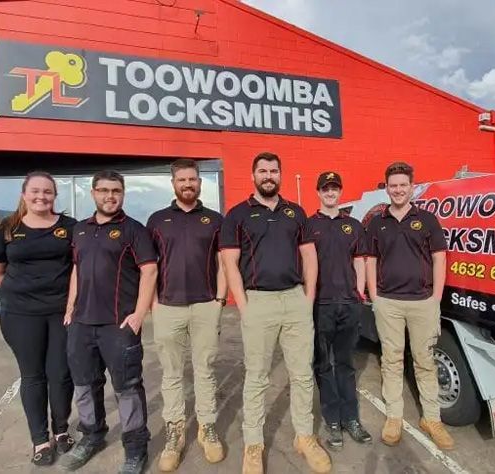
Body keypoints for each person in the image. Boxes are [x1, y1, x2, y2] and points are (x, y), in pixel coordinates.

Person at [220, 152, 332, 474]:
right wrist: (243, 305)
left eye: (273, 171)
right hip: (258, 302)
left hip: (295, 300)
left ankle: (304, 437)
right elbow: (229, 263)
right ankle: (253, 445)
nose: (268, 176)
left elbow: (309, 256)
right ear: (253, 175)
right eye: (263, 171)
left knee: (302, 374)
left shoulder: (295, 213)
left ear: (280, 175)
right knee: (257, 377)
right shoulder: (238, 215)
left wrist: (308, 298)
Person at [61, 171, 158, 474]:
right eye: (103, 190)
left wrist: (139, 314)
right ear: (93, 193)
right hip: (81, 324)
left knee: (127, 388)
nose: (110, 196)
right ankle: (92, 436)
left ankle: (136, 449)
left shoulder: (134, 230)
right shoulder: (80, 230)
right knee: (84, 385)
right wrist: (70, 307)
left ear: (123, 193)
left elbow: (150, 271)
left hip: (118, 325)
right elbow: (76, 270)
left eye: (116, 190)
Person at [0, 171, 77, 466]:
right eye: (35, 191)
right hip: (20, 315)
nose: (41, 196)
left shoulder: (70, 227)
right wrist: (21, 292)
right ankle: (40, 440)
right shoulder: (6, 229)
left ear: (54, 196)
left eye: (47, 191)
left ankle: (61, 430)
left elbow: (79, 267)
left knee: (61, 374)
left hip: (62, 313)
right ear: (24, 194)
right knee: (33, 376)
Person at [365, 162, 455, 450]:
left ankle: (432, 419)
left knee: (424, 361)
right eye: (393, 186)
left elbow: (439, 258)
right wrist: (374, 296)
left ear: (412, 187)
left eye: (403, 185)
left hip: (422, 303)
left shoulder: (427, 220)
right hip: (388, 303)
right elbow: (370, 260)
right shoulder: (377, 222)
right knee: (391, 361)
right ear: (387, 188)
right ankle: (394, 416)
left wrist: (436, 298)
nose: (398, 190)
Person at [146, 159, 228, 471]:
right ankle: (175, 431)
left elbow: (224, 263)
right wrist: (154, 303)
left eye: (192, 179)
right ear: (174, 184)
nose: (188, 184)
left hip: (206, 305)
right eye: (182, 180)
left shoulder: (215, 220)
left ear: (200, 182)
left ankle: (207, 427)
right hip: (168, 307)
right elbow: (149, 266)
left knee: (204, 370)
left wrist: (219, 300)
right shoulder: (157, 220)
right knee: (171, 373)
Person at [306, 171, 373, 450]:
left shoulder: (353, 225)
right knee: (323, 364)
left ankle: (351, 418)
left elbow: (360, 259)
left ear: (340, 192)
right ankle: (332, 420)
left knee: (345, 364)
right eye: (326, 189)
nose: (330, 193)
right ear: (318, 192)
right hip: (321, 305)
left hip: (348, 304)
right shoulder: (308, 225)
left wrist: (359, 292)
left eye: (334, 188)